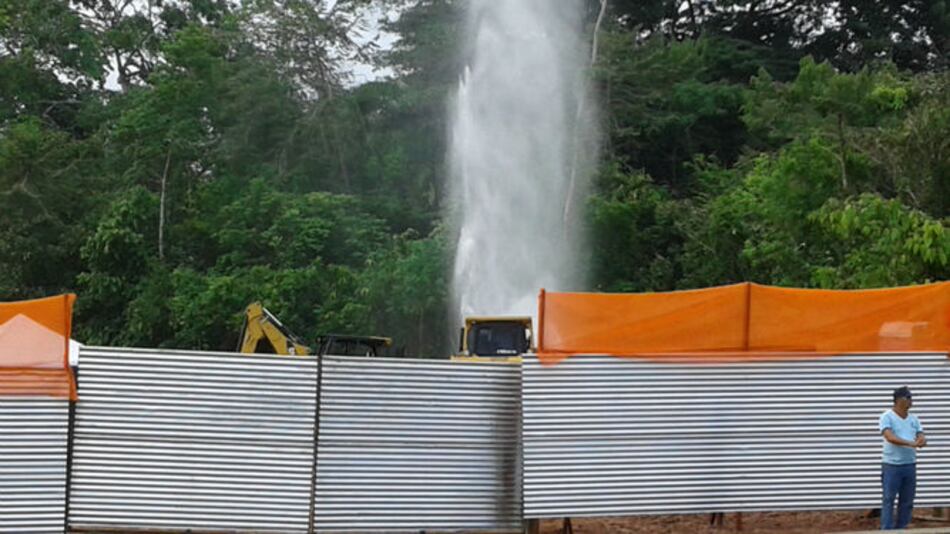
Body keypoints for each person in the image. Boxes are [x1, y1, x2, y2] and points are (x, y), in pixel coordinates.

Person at [879, 386, 926, 530]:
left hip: (909, 465)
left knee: (907, 501)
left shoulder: (914, 419)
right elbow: (889, 436)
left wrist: (921, 441)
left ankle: (901, 528)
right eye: (908, 398)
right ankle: (887, 529)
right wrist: (910, 443)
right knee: (889, 499)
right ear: (899, 400)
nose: (911, 401)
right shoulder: (887, 416)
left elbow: (921, 435)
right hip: (892, 465)